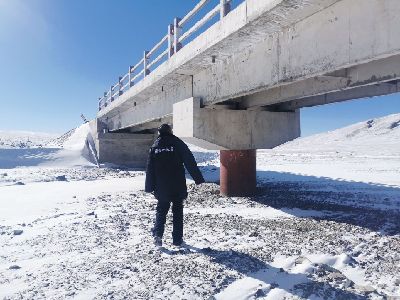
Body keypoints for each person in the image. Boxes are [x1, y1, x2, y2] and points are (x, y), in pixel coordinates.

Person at [145, 124, 205, 247]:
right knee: (178, 211)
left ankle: (157, 236)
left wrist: (149, 187)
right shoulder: (177, 143)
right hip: (177, 185)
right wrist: (198, 179)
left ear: (159, 133)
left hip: (161, 187)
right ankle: (177, 240)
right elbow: (189, 160)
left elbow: (150, 168)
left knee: (161, 210)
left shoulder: (155, 146)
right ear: (170, 131)